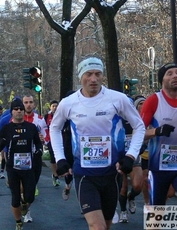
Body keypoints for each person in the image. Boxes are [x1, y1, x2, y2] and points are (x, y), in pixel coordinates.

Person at [50, 57, 145, 230]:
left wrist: (131, 156)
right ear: (81, 77)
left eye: (97, 74)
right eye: (88, 74)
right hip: (85, 174)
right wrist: (60, 158)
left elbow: (139, 126)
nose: (93, 79)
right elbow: (54, 129)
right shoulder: (68, 103)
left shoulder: (118, 99)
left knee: (106, 225)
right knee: (97, 227)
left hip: (111, 174)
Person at [140, 63, 177, 206]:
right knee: (156, 218)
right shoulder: (153, 100)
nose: (175, 76)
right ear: (162, 80)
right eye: (170, 74)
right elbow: (139, 132)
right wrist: (156, 131)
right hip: (158, 167)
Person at [0, 98, 43, 230]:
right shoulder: (7, 128)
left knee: (30, 196)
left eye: (21, 109)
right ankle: (18, 221)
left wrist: (39, 150)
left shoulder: (31, 127)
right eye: (16, 109)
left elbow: (38, 142)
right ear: (12, 112)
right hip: (13, 168)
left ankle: (25, 205)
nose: (19, 111)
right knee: (15, 197)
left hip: (28, 166)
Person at [22, 95, 47, 223]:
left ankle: (27, 208)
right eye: (26, 102)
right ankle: (25, 208)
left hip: (35, 156)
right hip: (20, 157)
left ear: (34, 104)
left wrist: (43, 140)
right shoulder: (15, 119)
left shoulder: (40, 120)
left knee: (31, 186)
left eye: (31, 102)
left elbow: (46, 136)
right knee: (22, 186)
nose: (28, 105)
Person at [44, 100, 60, 187]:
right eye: (53, 106)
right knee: (53, 159)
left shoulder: (61, 115)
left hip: (60, 140)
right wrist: (46, 139)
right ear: (50, 107)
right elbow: (44, 128)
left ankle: (59, 171)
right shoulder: (47, 116)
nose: (55, 108)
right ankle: (55, 176)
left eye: (56, 106)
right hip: (51, 140)